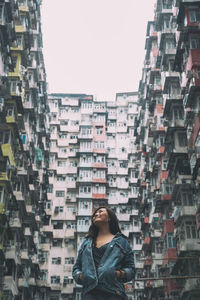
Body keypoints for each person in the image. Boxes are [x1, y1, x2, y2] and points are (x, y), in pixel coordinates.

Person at [72, 206, 135, 300]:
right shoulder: (86, 243)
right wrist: (82, 276)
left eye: (100, 211)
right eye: (94, 214)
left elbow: (131, 269)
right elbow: (76, 268)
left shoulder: (121, 241)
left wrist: (117, 273)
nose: (96, 214)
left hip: (114, 292)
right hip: (90, 293)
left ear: (109, 217)